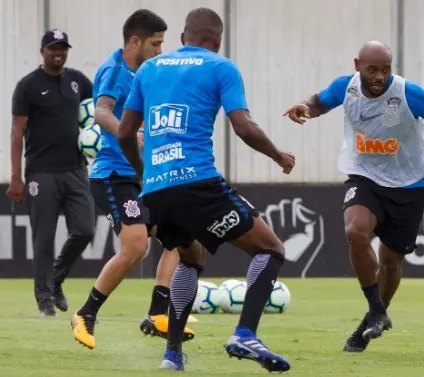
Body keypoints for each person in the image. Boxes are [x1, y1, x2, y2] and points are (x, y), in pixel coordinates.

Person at [117, 7, 295, 372]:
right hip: (197, 181)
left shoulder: (149, 69)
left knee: (191, 256)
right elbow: (243, 126)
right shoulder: (221, 67)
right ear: (217, 41)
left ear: (183, 39)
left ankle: (173, 355)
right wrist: (278, 154)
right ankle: (245, 333)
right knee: (270, 249)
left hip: (157, 188)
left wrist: (146, 174)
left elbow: (123, 132)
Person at [283, 41, 424, 352]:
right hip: (364, 176)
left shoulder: (408, 94)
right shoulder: (345, 87)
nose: (379, 76)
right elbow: (320, 102)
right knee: (355, 231)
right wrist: (305, 107)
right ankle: (377, 309)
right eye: (372, 69)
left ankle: (372, 318)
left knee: (391, 262)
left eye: (386, 70)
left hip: (408, 184)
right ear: (357, 65)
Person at [71, 9, 196, 350]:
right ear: (135, 41)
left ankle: (157, 313)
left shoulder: (147, 72)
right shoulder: (114, 71)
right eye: (155, 44)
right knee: (138, 245)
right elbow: (101, 113)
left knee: (180, 235)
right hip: (114, 175)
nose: (159, 50)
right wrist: (132, 134)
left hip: (145, 173)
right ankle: (86, 313)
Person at [8, 29, 95, 317]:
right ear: (42, 51)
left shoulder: (77, 81)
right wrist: (16, 176)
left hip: (75, 170)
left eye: (63, 48)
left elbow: (98, 111)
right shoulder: (28, 86)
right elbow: (17, 131)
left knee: (85, 229)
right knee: (43, 238)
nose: (59, 52)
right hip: (41, 173)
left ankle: (56, 279)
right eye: (54, 47)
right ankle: (45, 299)